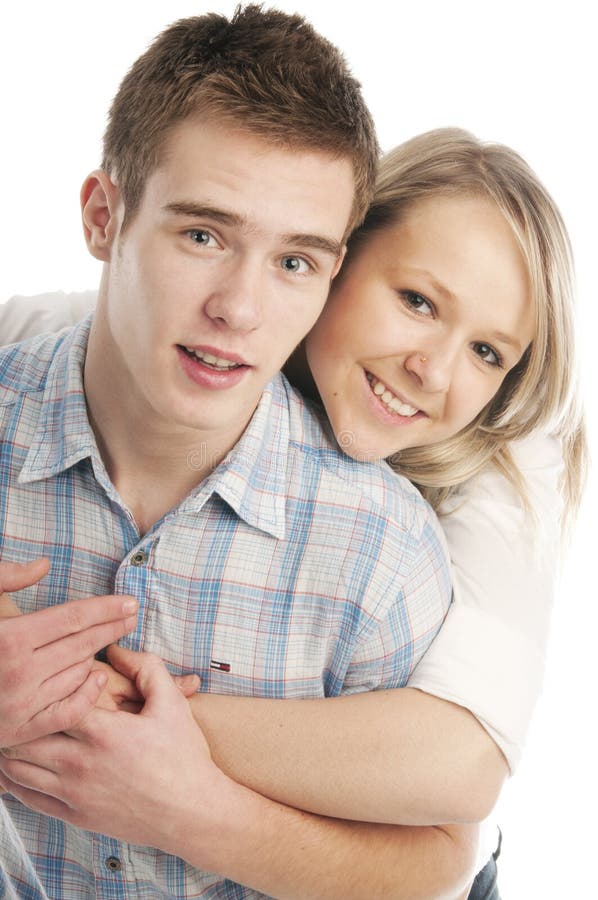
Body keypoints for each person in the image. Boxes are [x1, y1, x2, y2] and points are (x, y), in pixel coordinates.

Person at [0, 123, 585, 900]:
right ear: (330, 263)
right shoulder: (108, 337)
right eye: (416, 302)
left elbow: (461, 767)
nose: (433, 369)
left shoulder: (494, 484)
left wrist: (100, 712)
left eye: (488, 353)